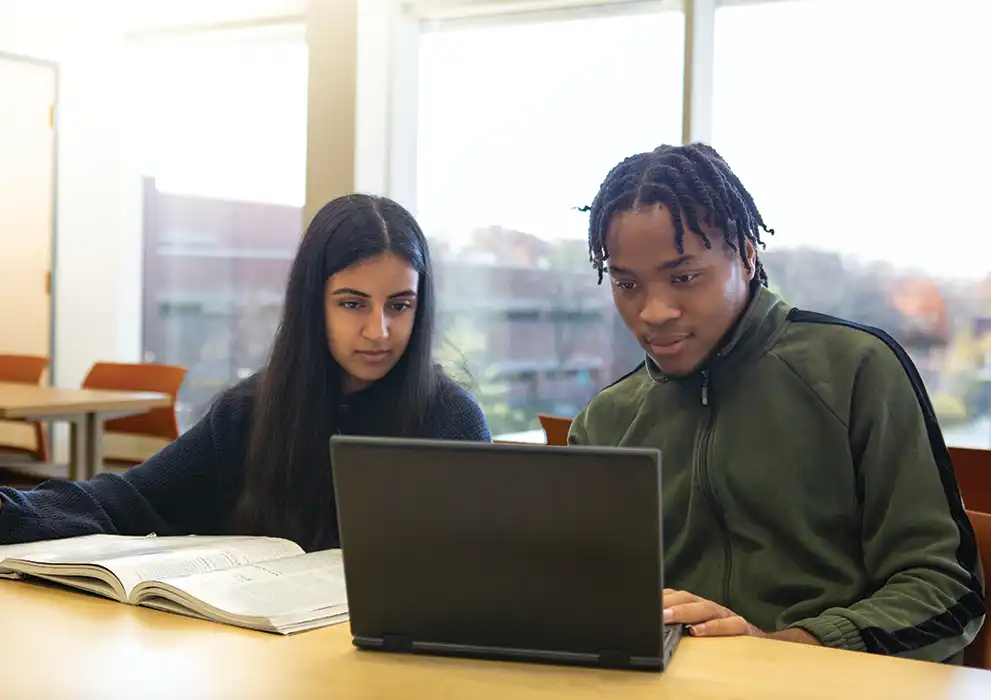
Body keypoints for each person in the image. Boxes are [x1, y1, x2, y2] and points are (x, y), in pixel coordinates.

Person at [570, 143, 985, 662]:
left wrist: (778, 649)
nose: (654, 312)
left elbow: (945, 591)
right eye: (627, 283)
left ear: (746, 254)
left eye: (684, 277)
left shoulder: (856, 369)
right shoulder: (605, 422)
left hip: (831, 683)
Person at [0, 194, 490, 551]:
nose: (378, 331)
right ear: (311, 303)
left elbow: (488, 570)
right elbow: (128, 499)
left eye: (399, 305)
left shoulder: (451, 422)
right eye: (352, 303)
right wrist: (13, 511)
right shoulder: (249, 411)